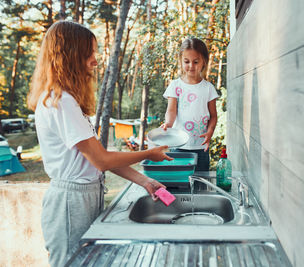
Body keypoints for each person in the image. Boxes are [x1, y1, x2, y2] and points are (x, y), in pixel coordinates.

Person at [27, 21, 173, 267]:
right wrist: (149, 154)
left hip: (81, 197)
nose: (95, 60)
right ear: (70, 55)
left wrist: (145, 181)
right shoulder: (60, 101)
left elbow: (96, 158)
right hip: (70, 203)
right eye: (89, 53)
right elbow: (101, 160)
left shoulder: (67, 100)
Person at [161, 37, 218, 171]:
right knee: (179, 183)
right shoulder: (175, 85)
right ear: (181, 61)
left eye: (196, 61)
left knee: (200, 184)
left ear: (204, 61)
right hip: (178, 146)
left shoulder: (208, 88)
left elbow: (213, 116)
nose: (191, 66)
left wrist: (210, 132)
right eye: (187, 61)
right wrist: (168, 124)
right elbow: (171, 111)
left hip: (201, 147)